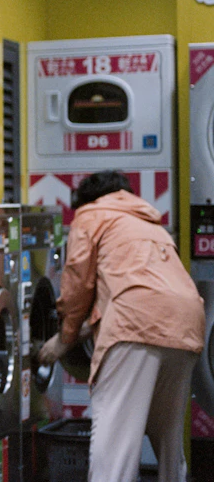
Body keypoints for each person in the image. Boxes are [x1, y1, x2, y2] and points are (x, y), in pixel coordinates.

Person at [38, 170, 205, 482]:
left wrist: (64, 337)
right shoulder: (150, 223)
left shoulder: (91, 215)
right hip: (187, 325)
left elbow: (78, 283)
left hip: (136, 324)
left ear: (86, 200)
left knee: (114, 445)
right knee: (168, 439)